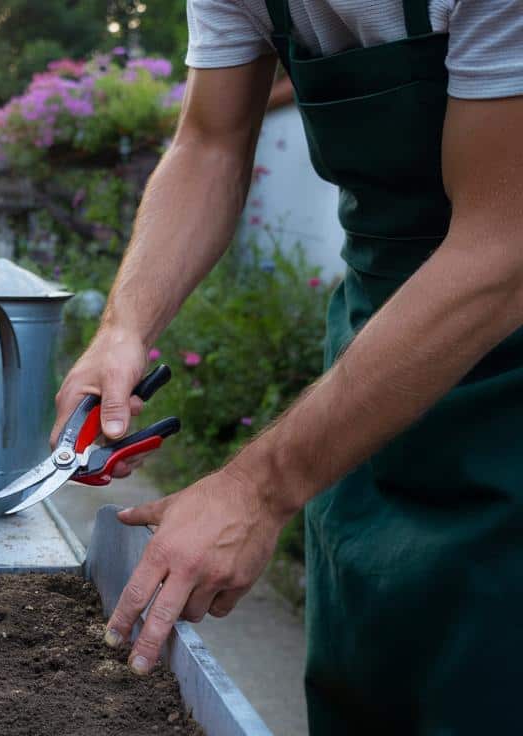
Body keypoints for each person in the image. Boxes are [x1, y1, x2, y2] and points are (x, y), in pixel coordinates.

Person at [51, 1, 523, 732]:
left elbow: (501, 249)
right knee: (366, 678)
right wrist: (124, 326)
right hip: (375, 369)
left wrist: (257, 487)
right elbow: (208, 143)